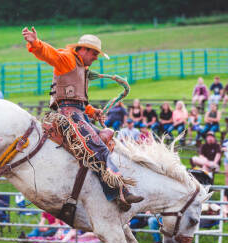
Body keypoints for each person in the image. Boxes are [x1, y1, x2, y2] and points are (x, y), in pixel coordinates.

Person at [23, 26, 143, 209]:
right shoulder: (68, 59)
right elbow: (51, 55)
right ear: (84, 50)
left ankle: (112, 193)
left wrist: (92, 111)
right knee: (97, 146)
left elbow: (77, 100)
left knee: (105, 137)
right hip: (67, 114)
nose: (96, 58)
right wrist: (35, 43)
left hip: (77, 113)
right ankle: (121, 190)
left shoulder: (81, 68)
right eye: (94, 54)